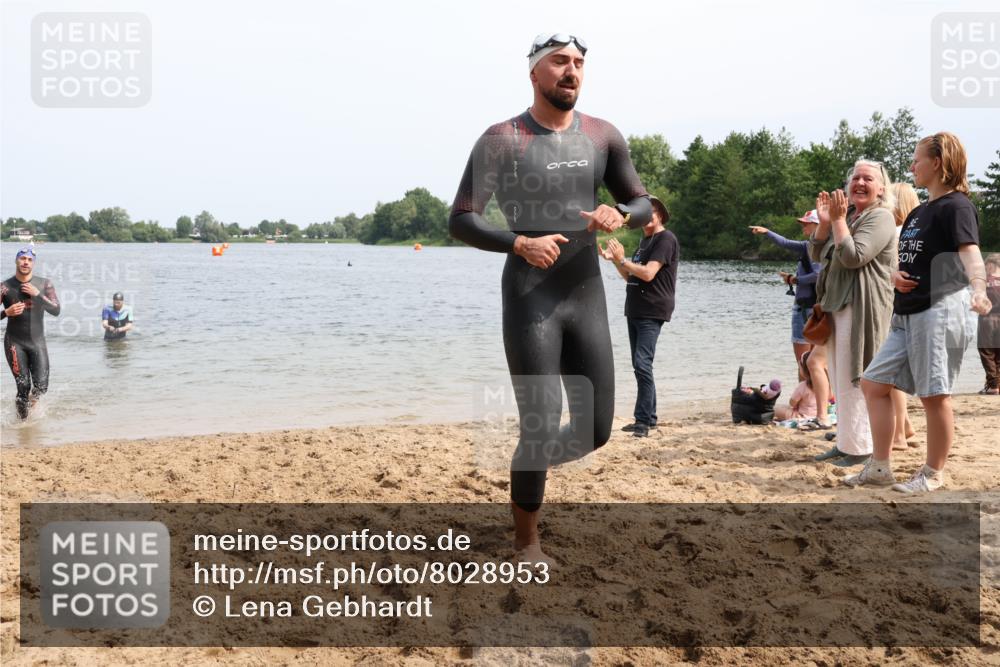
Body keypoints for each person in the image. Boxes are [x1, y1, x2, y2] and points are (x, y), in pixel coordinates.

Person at [449, 34, 652, 562]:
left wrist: (620, 214)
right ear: (535, 73)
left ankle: (526, 465)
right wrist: (518, 241)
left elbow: (641, 202)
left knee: (597, 430)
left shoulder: (604, 136)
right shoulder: (503, 139)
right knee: (539, 421)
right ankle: (526, 541)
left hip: (584, 290)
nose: (572, 72)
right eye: (560, 62)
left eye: (579, 64)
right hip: (529, 292)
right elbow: (462, 218)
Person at [855, 132, 993, 492]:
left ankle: (933, 474)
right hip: (906, 312)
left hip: (940, 310)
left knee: (934, 395)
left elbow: (970, 253)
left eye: (917, 159)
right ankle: (880, 467)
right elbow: (909, 258)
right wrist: (894, 275)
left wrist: (979, 289)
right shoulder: (919, 211)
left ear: (939, 163)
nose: (911, 165)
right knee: (873, 384)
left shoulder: (957, 206)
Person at [809, 161, 897, 467]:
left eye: (868, 178)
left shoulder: (881, 217)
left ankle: (860, 449)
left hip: (862, 309)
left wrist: (838, 221)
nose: (859, 182)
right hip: (838, 307)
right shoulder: (850, 217)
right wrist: (825, 222)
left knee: (856, 377)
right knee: (838, 377)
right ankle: (845, 443)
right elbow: (816, 254)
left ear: (881, 188)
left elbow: (853, 256)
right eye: (855, 177)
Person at [599, 196, 678, 438]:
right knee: (640, 365)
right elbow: (630, 277)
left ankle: (643, 422)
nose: (647, 217)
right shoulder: (645, 241)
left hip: (652, 309)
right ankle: (649, 417)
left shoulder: (666, 239)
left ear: (660, 216)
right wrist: (615, 261)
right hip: (635, 308)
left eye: (651, 213)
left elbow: (647, 274)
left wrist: (623, 259)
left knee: (642, 364)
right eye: (644, 214)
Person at [749, 211, 822, 375]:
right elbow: (785, 243)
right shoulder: (810, 245)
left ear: (818, 225)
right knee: (816, 362)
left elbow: (818, 275)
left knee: (804, 362)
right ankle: (820, 398)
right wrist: (767, 232)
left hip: (807, 308)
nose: (803, 225)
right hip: (816, 309)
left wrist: (794, 280)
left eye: (806, 223)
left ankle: (806, 398)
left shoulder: (815, 248)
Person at [1, 247, 61, 419]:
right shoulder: (4, 287)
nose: (25, 262)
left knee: (41, 387)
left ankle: (30, 404)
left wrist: (37, 295)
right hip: (14, 342)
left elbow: (56, 310)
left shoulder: (44, 284)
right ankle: (23, 425)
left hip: (37, 341)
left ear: (33, 263)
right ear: (16, 261)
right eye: (22, 258)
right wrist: (6, 312)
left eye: (29, 259)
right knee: (23, 385)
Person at [888, 183, 920, 448]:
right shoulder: (914, 233)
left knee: (892, 373)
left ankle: (897, 434)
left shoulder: (897, 232)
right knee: (899, 370)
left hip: (893, 304)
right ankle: (905, 425)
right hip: (910, 306)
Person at [978, 253, 1000, 395]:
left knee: (987, 352)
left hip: (987, 320)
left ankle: (993, 385)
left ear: (990, 265)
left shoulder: (983, 281)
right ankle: (997, 384)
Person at [775, 351, 819, 421]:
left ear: (804, 371)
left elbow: (792, 403)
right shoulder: (826, 385)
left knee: (776, 409)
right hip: (819, 415)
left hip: (801, 416)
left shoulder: (803, 386)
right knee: (785, 407)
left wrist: (796, 405)